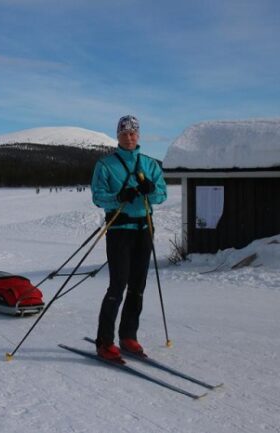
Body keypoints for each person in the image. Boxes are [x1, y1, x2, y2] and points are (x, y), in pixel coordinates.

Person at [90, 115, 167, 361]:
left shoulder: (150, 165)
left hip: (144, 229)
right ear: (118, 136)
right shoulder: (105, 165)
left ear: (139, 136)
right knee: (118, 285)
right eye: (124, 134)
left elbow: (162, 194)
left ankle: (128, 336)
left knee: (138, 286)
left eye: (133, 133)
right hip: (119, 230)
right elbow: (98, 197)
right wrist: (119, 197)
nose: (129, 137)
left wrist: (151, 191)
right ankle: (104, 342)